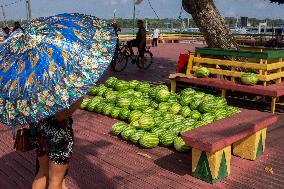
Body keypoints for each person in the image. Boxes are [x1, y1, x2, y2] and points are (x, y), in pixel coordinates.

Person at [29, 97, 83, 189]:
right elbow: (60, 115)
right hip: (57, 135)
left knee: (42, 172)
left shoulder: (32, 84)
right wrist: (79, 101)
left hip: (37, 129)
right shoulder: (56, 85)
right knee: (55, 180)